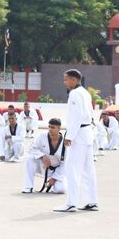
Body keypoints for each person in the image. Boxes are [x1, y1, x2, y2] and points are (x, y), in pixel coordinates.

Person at [54, 69, 98, 212]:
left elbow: (77, 117)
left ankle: (71, 203)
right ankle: (91, 201)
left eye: (66, 79)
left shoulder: (75, 93)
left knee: (71, 169)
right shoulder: (85, 92)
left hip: (78, 135)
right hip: (87, 133)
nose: (64, 82)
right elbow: (90, 114)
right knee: (87, 170)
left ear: (74, 80)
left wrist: (69, 137)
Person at [22, 118, 66, 194]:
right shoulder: (41, 136)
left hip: (57, 171)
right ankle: (28, 187)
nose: (50, 129)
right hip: (43, 166)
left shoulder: (64, 143)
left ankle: (52, 185)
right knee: (30, 158)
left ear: (59, 128)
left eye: (53, 127)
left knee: (61, 189)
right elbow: (31, 149)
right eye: (49, 126)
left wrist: (54, 178)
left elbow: (65, 164)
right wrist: (42, 156)